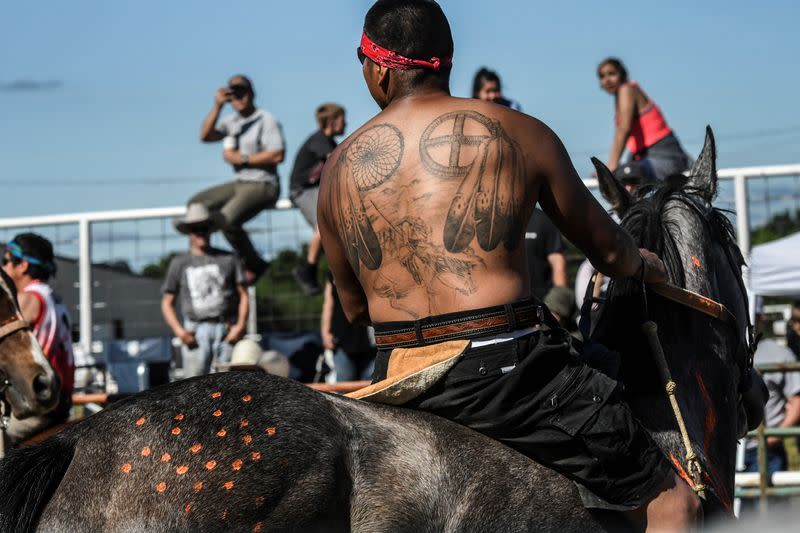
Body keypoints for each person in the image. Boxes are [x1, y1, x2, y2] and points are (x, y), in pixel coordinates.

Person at [317, 1, 699, 529]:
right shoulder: (521, 132)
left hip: (399, 373)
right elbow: (610, 253)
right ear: (446, 60)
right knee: (674, 501)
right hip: (506, 370)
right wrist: (649, 266)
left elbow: (356, 310)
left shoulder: (337, 168)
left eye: (360, 58)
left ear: (379, 66)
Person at [195, 74, 286, 284]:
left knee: (226, 219)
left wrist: (242, 159)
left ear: (252, 93)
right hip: (241, 183)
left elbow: (278, 154)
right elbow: (205, 136)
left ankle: (253, 263)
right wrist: (217, 106)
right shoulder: (231, 122)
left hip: (264, 183)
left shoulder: (266, 119)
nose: (238, 97)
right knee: (197, 206)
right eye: (233, 93)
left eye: (242, 91)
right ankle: (214, 256)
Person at [161, 203, 249, 378]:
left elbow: (244, 295)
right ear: (189, 232)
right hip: (195, 330)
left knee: (227, 383)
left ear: (211, 229)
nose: (201, 232)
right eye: (196, 229)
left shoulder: (228, 259)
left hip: (226, 328)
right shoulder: (179, 263)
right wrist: (180, 332)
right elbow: (167, 302)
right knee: (194, 385)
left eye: (204, 227)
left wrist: (239, 327)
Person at [2, 233, 74, 444]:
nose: (4, 268)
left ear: (22, 265)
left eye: (5, 261)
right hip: (61, 398)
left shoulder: (28, 298)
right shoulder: (52, 297)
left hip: (40, 401)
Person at [740, 314, 800, 513]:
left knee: (769, 516)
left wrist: (772, 437)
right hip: (733, 449)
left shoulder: (780, 354)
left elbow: (796, 401)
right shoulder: (722, 349)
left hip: (765, 451)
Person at [597, 57, 690, 184]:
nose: (607, 80)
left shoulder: (627, 89)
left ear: (622, 74)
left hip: (663, 153)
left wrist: (609, 169)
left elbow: (623, 129)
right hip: (643, 156)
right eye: (602, 76)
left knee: (627, 173)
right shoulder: (619, 98)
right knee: (625, 177)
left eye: (611, 74)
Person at [290, 103, 347, 296]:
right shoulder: (321, 140)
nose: (345, 123)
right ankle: (308, 270)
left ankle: (330, 267)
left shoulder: (328, 141)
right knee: (323, 225)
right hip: (302, 190)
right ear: (331, 121)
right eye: (342, 118)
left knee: (334, 226)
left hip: (315, 189)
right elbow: (338, 162)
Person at [321, 273, 376, 382]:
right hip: (341, 339)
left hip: (371, 341)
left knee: (371, 383)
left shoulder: (370, 265)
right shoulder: (333, 271)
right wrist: (325, 332)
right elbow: (328, 303)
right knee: (344, 381)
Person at [525, 208, 568, 300]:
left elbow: (558, 265)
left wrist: (558, 303)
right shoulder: (495, 220)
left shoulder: (544, 219)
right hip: (504, 302)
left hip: (542, 302)